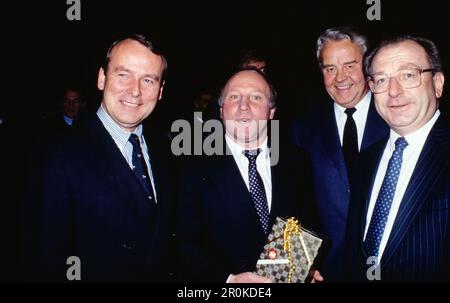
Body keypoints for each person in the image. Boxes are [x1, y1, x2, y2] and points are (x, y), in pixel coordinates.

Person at [22, 34, 175, 282]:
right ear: (102, 78)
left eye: (148, 80)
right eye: (123, 75)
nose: (135, 91)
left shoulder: (164, 150)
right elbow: (43, 256)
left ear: (160, 91)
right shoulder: (57, 153)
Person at [176, 68, 322, 283]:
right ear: (221, 109)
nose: (243, 106)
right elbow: (181, 244)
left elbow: (306, 226)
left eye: (255, 97)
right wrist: (228, 280)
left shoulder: (296, 161)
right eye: (234, 97)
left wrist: (304, 269)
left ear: (271, 112)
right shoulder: (190, 167)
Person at [345, 35, 449, 282]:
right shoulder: (365, 160)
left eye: (408, 75)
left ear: (437, 83)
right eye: (381, 80)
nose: (393, 91)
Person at [290, 27, 389, 281]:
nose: (340, 78)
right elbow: (293, 201)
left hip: (390, 266)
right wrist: (298, 268)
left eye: (349, 65)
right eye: (330, 68)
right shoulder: (302, 128)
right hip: (326, 271)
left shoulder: (396, 117)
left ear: (367, 66)